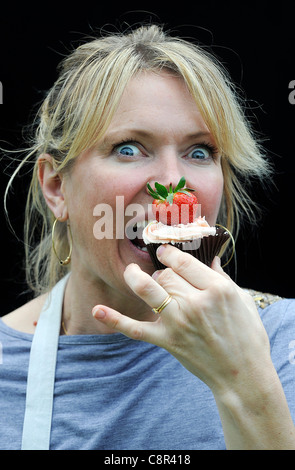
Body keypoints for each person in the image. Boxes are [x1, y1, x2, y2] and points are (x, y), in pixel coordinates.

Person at [1, 24, 294, 450]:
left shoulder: (282, 340)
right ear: (56, 188)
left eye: (199, 152)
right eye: (129, 148)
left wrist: (248, 383)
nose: (174, 185)